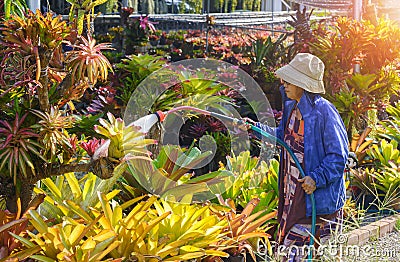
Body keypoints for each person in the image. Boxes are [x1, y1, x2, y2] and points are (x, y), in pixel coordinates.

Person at [244, 53, 349, 261]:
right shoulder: (292, 107)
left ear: (304, 84)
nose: (284, 83)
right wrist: (253, 128)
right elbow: (282, 137)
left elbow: (338, 157)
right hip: (293, 194)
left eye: (290, 80)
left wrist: (316, 178)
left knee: (305, 255)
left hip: (317, 202)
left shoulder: (324, 112)